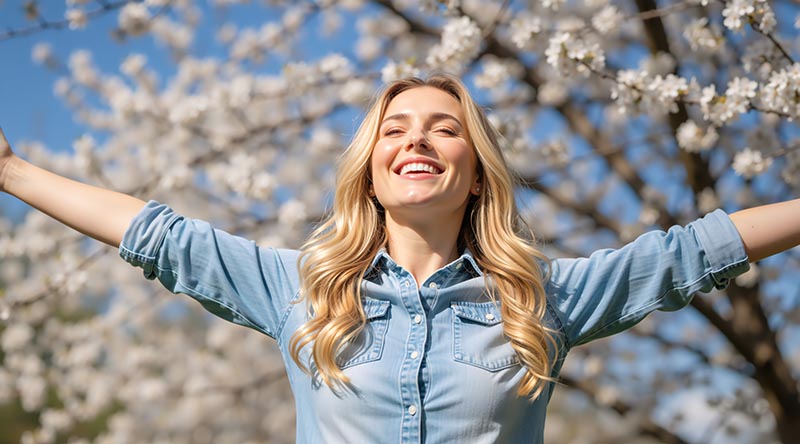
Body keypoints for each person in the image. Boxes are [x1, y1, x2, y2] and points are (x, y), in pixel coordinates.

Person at [1, 73, 799, 443]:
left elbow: (692, 252)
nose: (416, 136)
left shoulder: (540, 300)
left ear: (475, 168)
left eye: (443, 127)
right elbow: (156, 235)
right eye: (395, 127)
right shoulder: (301, 289)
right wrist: (10, 171)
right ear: (372, 167)